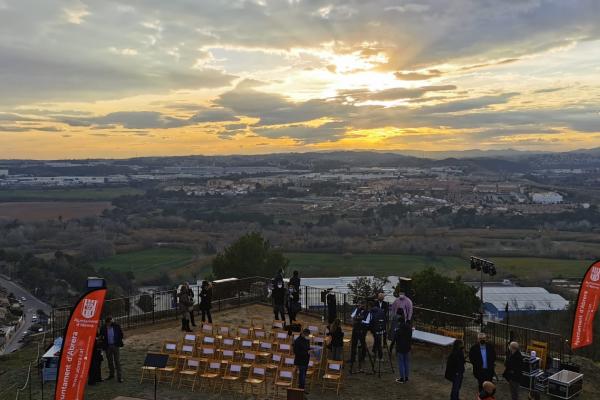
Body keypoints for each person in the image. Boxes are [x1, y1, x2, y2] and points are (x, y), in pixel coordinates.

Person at [390, 308, 412, 383]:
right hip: (407, 347)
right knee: (406, 362)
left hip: (400, 348)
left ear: (399, 322)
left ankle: (402, 378)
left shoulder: (398, 330)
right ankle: (406, 377)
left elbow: (395, 339)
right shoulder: (409, 328)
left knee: (401, 363)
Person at [99, 316, 124, 383]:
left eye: (112, 321)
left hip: (115, 346)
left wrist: (118, 341)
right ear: (107, 322)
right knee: (110, 362)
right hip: (108, 347)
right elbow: (101, 336)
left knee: (117, 362)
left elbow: (121, 334)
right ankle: (111, 375)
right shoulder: (103, 328)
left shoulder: (116, 326)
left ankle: (119, 377)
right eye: (111, 322)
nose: (112, 322)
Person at [349, 302, 369, 370]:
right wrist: (355, 317)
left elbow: (366, 321)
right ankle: (352, 358)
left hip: (362, 329)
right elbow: (352, 316)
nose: (361, 305)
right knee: (353, 344)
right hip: (356, 328)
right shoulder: (357, 310)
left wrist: (360, 320)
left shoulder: (367, 312)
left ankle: (362, 357)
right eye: (360, 304)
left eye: (362, 304)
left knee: (362, 343)